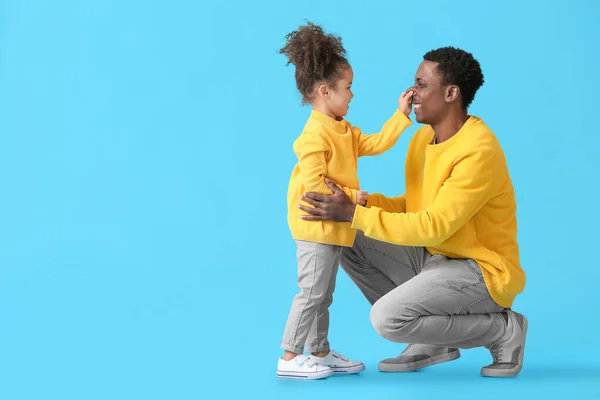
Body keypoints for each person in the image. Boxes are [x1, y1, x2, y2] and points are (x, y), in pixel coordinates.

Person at [298, 46, 528, 378]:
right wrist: (362, 205)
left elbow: (434, 226)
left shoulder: (478, 150)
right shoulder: (423, 140)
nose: (411, 93)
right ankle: (432, 340)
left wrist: (354, 213)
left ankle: (503, 330)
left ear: (451, 93)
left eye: (421, 85)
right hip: (435, 259)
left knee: (386, 319)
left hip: (480, 272)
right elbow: (416, 206)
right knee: (346, 236)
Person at [276, 21, 415, 380]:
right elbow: (314, 187)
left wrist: (401, 115)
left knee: (323, 294)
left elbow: (376, 144)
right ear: (325, 91)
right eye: (348, 88)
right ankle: (290, 356)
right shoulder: (313, 135)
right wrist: (358, 197)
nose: (352, 95)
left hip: (333, 226)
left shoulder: (343, 128)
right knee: (310, 293)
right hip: (314, 225)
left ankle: (319, 351)